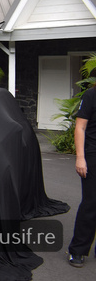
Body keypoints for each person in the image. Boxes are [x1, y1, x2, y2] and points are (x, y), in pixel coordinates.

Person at [69, 80, 96, 268]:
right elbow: (80, 127)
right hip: (93, 155)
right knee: (91, 203)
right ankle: (77, 250)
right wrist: (80, 157)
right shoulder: (91, 96)